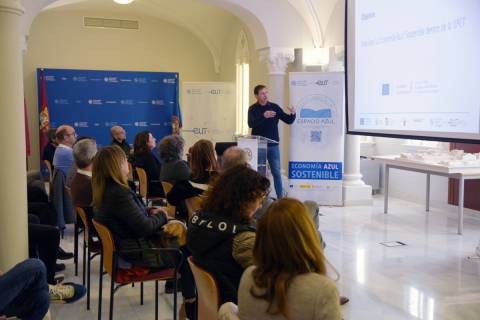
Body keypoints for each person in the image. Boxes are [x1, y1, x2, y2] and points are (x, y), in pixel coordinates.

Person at [92, 146, 197, 319]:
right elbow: (145, 228)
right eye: (125, 160)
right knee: (191, 251)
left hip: (129, 248)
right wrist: (163, 216)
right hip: (140, 254)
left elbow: (132, 218)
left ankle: (188, 298)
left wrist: (149, 212)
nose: (128, 163)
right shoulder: (119, 193)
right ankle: (191, 303)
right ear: (117, 165)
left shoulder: (106, 189)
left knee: (187, 244)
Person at [219, 198, 341, 320]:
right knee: (311, 205)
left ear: (262, 236)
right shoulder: (323, 289)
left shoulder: (249, 276)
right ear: (308, 238)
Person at [187, 165, 270, 304]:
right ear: (244, 200)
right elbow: (275, 279)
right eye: (259, 199)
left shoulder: (196, 221)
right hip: (237, 307)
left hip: (210, 307)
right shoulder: (242, 240)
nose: (260, 205)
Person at [248, 85, 296, 199]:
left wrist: (293, 114)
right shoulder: (253, 109)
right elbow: (251, 124)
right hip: (258, 146)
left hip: (273, 145)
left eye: (266, 93)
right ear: (256, 95)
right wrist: (263, 116)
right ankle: (259, 199)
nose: (265, 95)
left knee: (276, 173)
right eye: (262, 93)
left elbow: (288, 120)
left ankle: (280, 199)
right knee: (259, 175)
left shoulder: (274, 107)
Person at [167, 139, 218, 209]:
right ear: (213, 156)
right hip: (217, 218)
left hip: (194, 218)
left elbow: (171, 200)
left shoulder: (184, 184)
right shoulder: (222, 182)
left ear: (193, 158)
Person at [133, 131, 164, 197]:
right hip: (154, 189)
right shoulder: (148, 156)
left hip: (147, 188)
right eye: (152, 138)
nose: (155, 139)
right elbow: (157, 175)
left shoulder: (138, 155)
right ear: (146, 142)